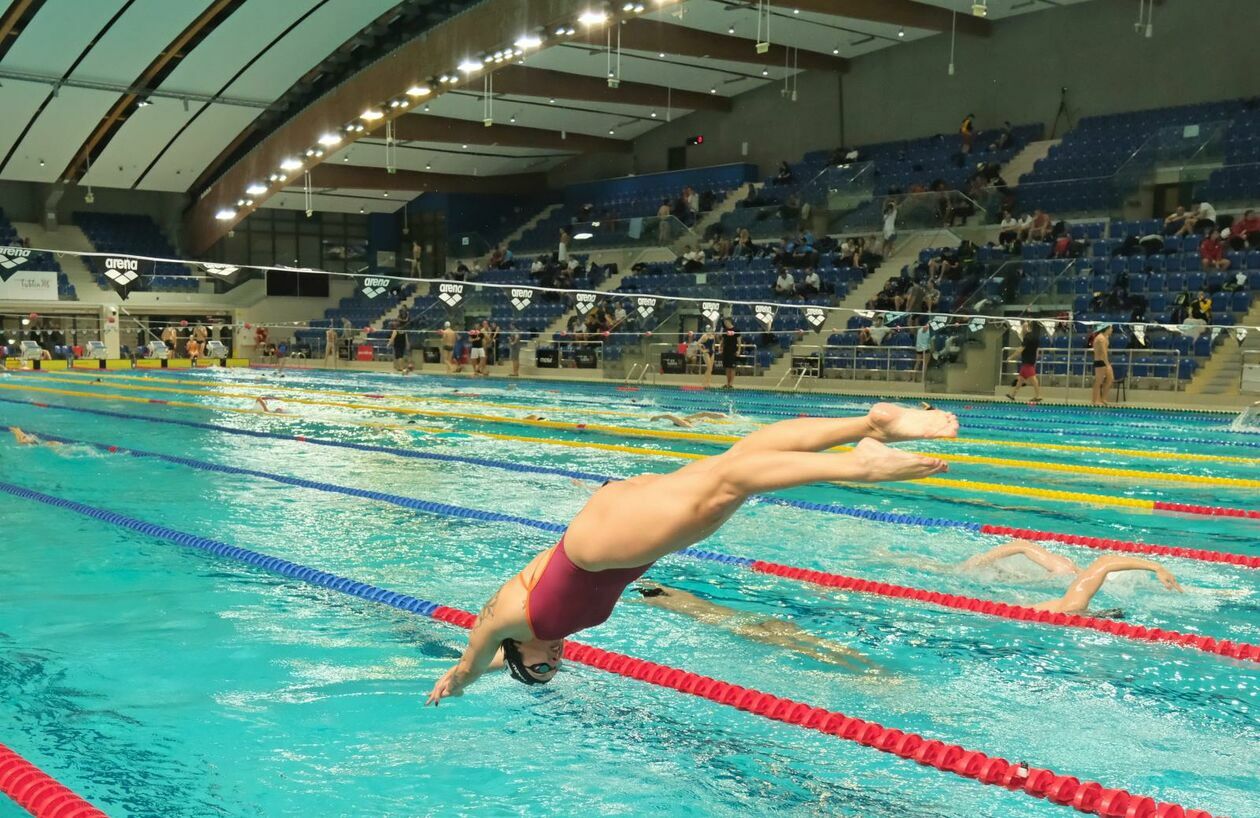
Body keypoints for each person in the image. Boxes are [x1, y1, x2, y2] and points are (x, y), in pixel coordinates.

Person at [425, 404, 957, 701]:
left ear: (518, 651)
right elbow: (495, 664)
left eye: (541, 669)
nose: (554, 663)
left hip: (597, 547)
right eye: (551, 673)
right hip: (616, 530)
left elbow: (472, 662)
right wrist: (493, 670)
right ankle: (871, 425)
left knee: (729, 483)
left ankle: (861, 464)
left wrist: (456, 683)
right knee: (740, 457)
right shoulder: (536, 635)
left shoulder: (506, 618)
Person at [634, 582, 877, 671]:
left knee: (802, 649)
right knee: (816, 641)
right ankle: (870, 664)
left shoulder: (654, 602)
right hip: (747, 615)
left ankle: (856, 671)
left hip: (734, 624)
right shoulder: (672, 591)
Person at [960, 540, 1182, 616]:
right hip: (983, 590)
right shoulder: (1072, 604)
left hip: (995, 599)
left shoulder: (1071, 606)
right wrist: (1155, 566)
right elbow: (1104, 562)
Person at [1007, 322, 1043, 403]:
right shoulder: (1035, 337)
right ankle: (1013, 395)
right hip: (1030, 360)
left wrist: (1011, 357)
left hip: (1027, 361)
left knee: (1033, 379)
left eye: (1023, 327)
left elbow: (1020, 349)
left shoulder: (1027, 337)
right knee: (1020, 380)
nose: (1022, 329)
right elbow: (1037, 349)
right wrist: (1035, 359)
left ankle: (1038, 395)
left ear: (1028, 328)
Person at [1091, 324, 1114, 407]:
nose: (1112, 330)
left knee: (1110, 378)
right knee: (1098, 382)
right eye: (1111, 328)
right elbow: (1104, 352)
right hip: (1100, 362)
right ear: (1106, 329)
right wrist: (1107, 364)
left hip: (1104, 361)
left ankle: (1103, 398)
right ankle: (1095, 400)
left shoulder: (1105, 337)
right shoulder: (1101, 338)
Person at [719, 317, 740, 389]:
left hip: (733, 350)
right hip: (726, 350)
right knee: (727, 367)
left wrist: (739, 350)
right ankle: (727, 383)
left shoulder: (736, 330)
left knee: (732, 367)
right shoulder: (725, 330)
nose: (725, 324)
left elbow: (739, 341)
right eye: (724, 323)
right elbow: (722, 340)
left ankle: (731, 383)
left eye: (726, 322)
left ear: (729, 321)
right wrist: (720, 347)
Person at [649, 411, 729, 429]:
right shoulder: (687, 425)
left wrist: (657, 417)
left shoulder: (690, 423)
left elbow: (703, 414)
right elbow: (669, 416)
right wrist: (657, 417)